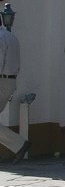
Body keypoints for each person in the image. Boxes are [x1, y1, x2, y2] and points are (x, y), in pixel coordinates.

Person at [0, 19, 30, 162]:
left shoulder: (0, 38)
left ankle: (20, 144)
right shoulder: (11, 37)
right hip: (10, 80)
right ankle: (19, 145)